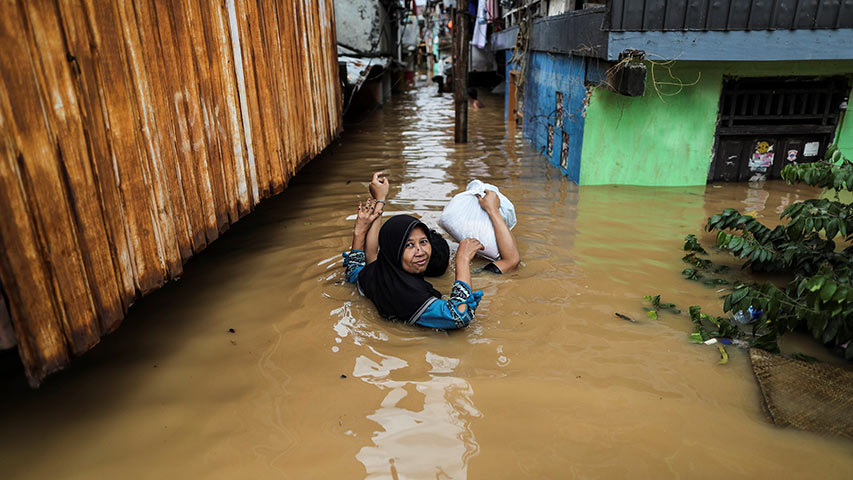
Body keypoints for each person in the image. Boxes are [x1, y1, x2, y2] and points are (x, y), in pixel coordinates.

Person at [342, 173, 520, 329]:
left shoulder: (380, 274)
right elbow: (458, 316)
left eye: (423, 242)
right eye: (409, 245)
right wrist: (463, 259)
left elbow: (362, 264)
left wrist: (363, 225)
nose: (420, 252)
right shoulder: (412, 295)